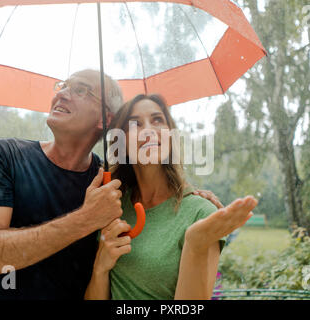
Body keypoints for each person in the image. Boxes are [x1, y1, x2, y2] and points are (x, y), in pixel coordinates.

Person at [0, 69, 223, 300]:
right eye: (64, 85)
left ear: (105, 120)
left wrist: (194, 200)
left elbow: (157, 194)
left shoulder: (109, 186)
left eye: (80, 89)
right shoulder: (5, 156)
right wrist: (86, 219)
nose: (63, 94)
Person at [84, 94, 257, 300]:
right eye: (135, 124)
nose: (149, 129)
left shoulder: (201, 213)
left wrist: (196, 245)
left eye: (158, 120)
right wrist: (100, 268)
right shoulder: (112, 208)